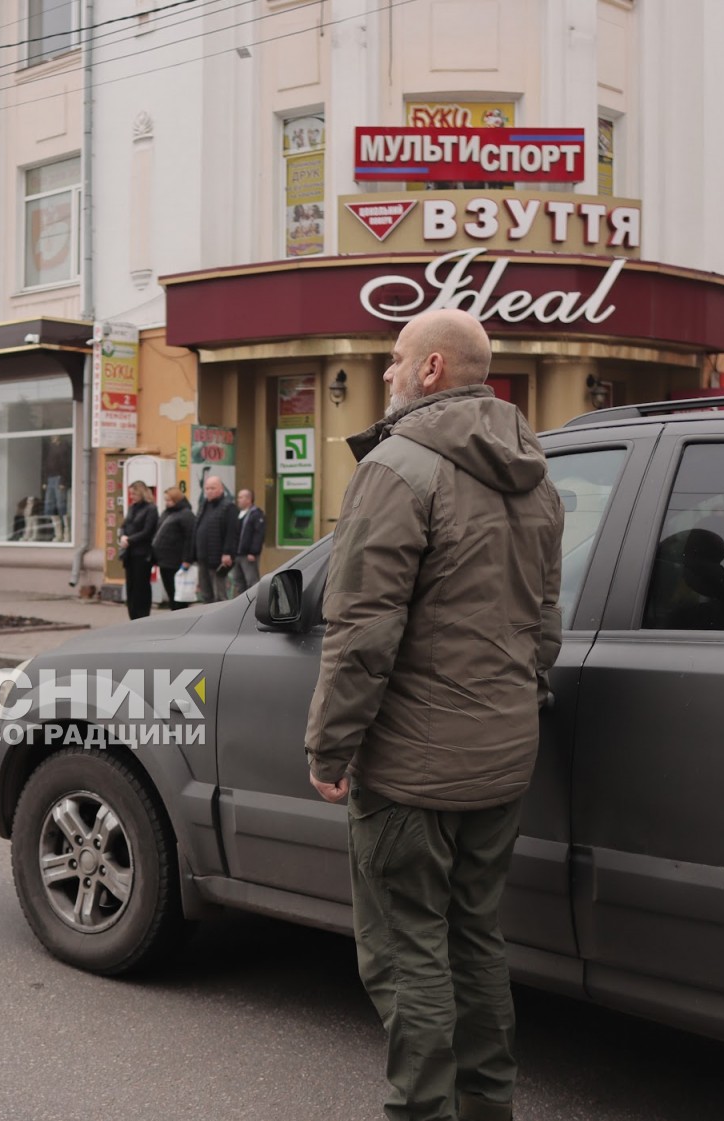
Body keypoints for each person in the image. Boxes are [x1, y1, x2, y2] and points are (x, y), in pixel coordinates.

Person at [305, 308, 563, 1121]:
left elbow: (361, 630)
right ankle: (488, 1107)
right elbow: (544, 624)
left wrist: (329, 745)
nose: (384, 373)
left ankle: (421, 1111)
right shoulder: (537, 473)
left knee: (406, 949)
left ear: (429, 372)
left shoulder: (399, 467)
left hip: (414, 769)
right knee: (475, 939)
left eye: (393, 360)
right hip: (501, 757)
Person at [192, 474, 239, 603]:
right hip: (202, 558)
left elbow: (232, 533)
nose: (209, 491)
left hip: (218, 560)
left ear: (221, 489)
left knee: (219, 596)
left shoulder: (228, 507)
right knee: (206, 595)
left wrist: (227, 553)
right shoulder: (204, 506)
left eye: (212, 488)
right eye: (207, 488)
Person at [117, 481, 159, 620]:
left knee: (142, 586)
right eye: (130, 494)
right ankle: (132, 616)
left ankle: (143, 615)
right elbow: (124, 525)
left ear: (141, 492)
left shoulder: (151, 509)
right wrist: (122, 535)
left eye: (134, 493)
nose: (132, 496)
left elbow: (147, 531)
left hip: (142, 553)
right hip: (129, 554)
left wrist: (130, 540)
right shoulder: (132, 508)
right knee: (131, 586)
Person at [151, 486, 195, 611]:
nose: (167, 503)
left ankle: (182, 617)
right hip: (164, 561)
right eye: (166, 500)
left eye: (169, 500)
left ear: (177, 500)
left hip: (176, 561)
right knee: (171, 593)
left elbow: (190, 538)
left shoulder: (186, 514)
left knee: (179, 595)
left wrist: (187, 559)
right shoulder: (167, 512)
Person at [230, 488, 267, 598]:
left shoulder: (256, 515)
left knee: (251, 581)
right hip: (238, 554)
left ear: (249, 499)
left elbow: (258, 534)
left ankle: (254, 603)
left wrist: (253, 551)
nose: (238, 500)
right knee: (238, 581)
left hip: (248, 555)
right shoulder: (239, 514)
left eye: (241, 497)